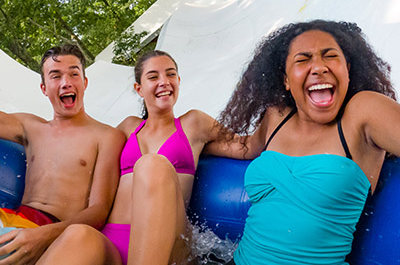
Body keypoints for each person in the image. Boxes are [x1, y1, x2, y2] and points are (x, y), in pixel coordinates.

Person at [214, 19, 400, 265]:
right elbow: (246, 147)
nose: (319, 67)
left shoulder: (363, 112)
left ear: (348, 69)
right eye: (303, 59)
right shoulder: (277, 116)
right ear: (286, 80)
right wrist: (189, 137)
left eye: (330, 56)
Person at [37, 50, 247, 265]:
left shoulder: (194, 123)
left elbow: (246, 147)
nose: (164, 82)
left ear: (179, 80)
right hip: (112, 242)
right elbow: (88, 156)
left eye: (171, 74)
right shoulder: (127, 128)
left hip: (167, 244)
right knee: (78, 234)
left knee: (151, 164)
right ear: (139, 88)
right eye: (153, 77)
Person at [0, 44, 125, 264]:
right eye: (55, 76)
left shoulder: (106, 136)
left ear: (84, 83)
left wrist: (41, 236)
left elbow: (99, 210)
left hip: (56, 235)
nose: (66, 82)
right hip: (12, 222)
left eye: (74, 74)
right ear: (44, 88)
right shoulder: (30, 126)